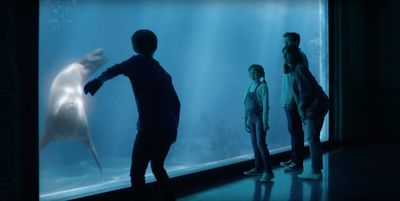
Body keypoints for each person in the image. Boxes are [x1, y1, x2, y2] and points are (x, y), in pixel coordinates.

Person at [84, 29, 181, 200]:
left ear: (135, 46)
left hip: (150, 128)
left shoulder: (136, 63)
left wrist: (98, 81)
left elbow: (115, 69)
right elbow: (176, 103)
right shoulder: (162, 71)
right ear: (155, 47)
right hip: (168, 126)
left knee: (137, 173)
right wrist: (174, 129)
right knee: (158, 166)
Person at [282, 45, 329, 180]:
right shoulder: (295, 70)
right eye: (283, 54)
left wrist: (301, 109)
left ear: (295, 55)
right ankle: (316, 170)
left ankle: (315, 171)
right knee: (314, 139)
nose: (284, 56)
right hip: (318, 105)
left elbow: (306, 93)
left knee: (312, 139)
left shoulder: (299, 69)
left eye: (287, 54)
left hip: (314, 107)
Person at [280, 32, 309, 173]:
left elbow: (299, 84)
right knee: (293, 130)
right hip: (288, 100)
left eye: (288, 42)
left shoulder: (299, 58)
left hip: (293, 101)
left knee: (296, 130)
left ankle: (297, 161)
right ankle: (294, 158)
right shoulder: (289, 58)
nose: (285, 45)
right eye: (284, 42)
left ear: (296, 42)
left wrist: (292, 100)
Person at [243, 64, 274, 182]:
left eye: (255, 72)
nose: (252, 74)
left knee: (261, 144)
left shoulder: (263, 87)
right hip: (250, 119)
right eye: (250, 72)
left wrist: (265, 122)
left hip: (259, 118)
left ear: (261, 74)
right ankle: (258, 167)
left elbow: (266, 106)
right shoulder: (248, 87)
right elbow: (245, 106)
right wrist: (244, 120)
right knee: (254, 145)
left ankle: (269, 171)